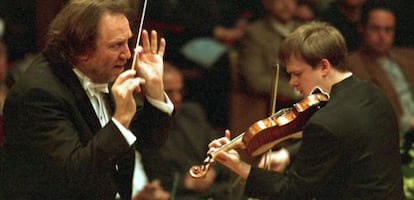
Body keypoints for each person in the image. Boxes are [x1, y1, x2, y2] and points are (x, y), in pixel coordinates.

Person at [208, 21, 405, 199]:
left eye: (297, 74)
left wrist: (240, 166)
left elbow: (292, 191)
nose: (293, 82)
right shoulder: (374, 93)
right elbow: (342, 143)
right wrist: (287, 155)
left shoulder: (325, 122)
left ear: (324, 67)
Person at [0, 0, 174, 199]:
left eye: (128, 42)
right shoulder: (38, 95)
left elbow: (147, 142)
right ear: (82, 49)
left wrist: (155, 92)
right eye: (117, 45)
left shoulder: (101, 71)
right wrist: (120, 121)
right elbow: (74, 177)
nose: (127, 54)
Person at [345, 0, 414, 198]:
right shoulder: (351, 65)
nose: (382, 36)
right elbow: (368, 112)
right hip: (395, 140)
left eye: (388, 30)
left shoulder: (408, 56)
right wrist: (406, 122)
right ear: (362, 29)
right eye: (376, 29)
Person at [141, 61, 232, 199]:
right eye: (169, 92)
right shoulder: (142, 125)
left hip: (214, 189)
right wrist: (186, 182)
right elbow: (150, 173)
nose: (178, 98)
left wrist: (212, 170)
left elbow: (219, 149)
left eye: (180, 91)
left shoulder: (192, 112)